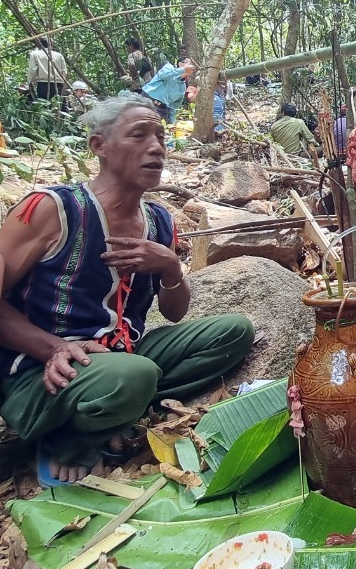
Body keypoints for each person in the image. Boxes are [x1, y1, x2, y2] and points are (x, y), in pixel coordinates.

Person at [0, 95, 255, 486]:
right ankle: (68, 435)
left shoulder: (158, 220)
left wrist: (170, 266)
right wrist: (51, 347)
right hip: (40, 371)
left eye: (161, 137)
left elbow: (174, 312)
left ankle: (116, 407)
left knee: (234, 332)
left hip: (123, 357)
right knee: (135, 376)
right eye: (139, 135)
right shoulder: (52, 210)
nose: (156, 147)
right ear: (98, 146)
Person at [141, 56, 196, 123]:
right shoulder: (169, 67)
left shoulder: (182, 88)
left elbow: (174, 108)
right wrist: (183, 70)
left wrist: (173, 124)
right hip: (147, 99)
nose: (191, 66)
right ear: (180, 64)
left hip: (160, 108)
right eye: (188, 63)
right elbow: (164, 75)